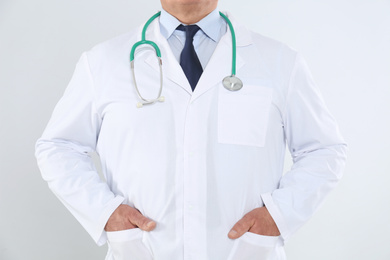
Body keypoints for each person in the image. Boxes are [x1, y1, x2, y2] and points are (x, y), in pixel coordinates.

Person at [35, 0, 347, 259]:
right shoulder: (103, 62)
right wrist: (106, 212)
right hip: (145, 250)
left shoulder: (279, 61)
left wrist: (279, 215)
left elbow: (324, 150)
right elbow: (58, 146)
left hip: (243, 252)